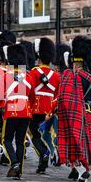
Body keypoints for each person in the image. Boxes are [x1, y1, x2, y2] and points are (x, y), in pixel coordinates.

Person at [57, 36, 91, 182]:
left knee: (75, 148)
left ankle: (80, 174)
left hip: (76, 116)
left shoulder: (71, 76)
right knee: (87, 149)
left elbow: (63, 98)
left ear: (74, 61)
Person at [0, 44, 32, 180]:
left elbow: (0, 96)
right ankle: (19, 172)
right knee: (20, 141)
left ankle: (14, 163)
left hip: (12, 111)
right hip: (26, 111)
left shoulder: (6, 76)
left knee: (6, 140)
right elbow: (32, 95)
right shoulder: (28, 77)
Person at [26, 38, 60, 174]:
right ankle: (43, 162)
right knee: (47, 135)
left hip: (36, 108)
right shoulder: (56, 76)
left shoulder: (33, 72)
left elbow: (29, 91)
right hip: (50, 110)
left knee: (35, 135)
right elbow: (58, 95)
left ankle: (44, 154)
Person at [0, 30, 17, 166]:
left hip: (2, 107)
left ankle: (7, 156)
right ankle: (6, 155)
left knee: (3, 135)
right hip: (15, 106)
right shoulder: (16, 70)